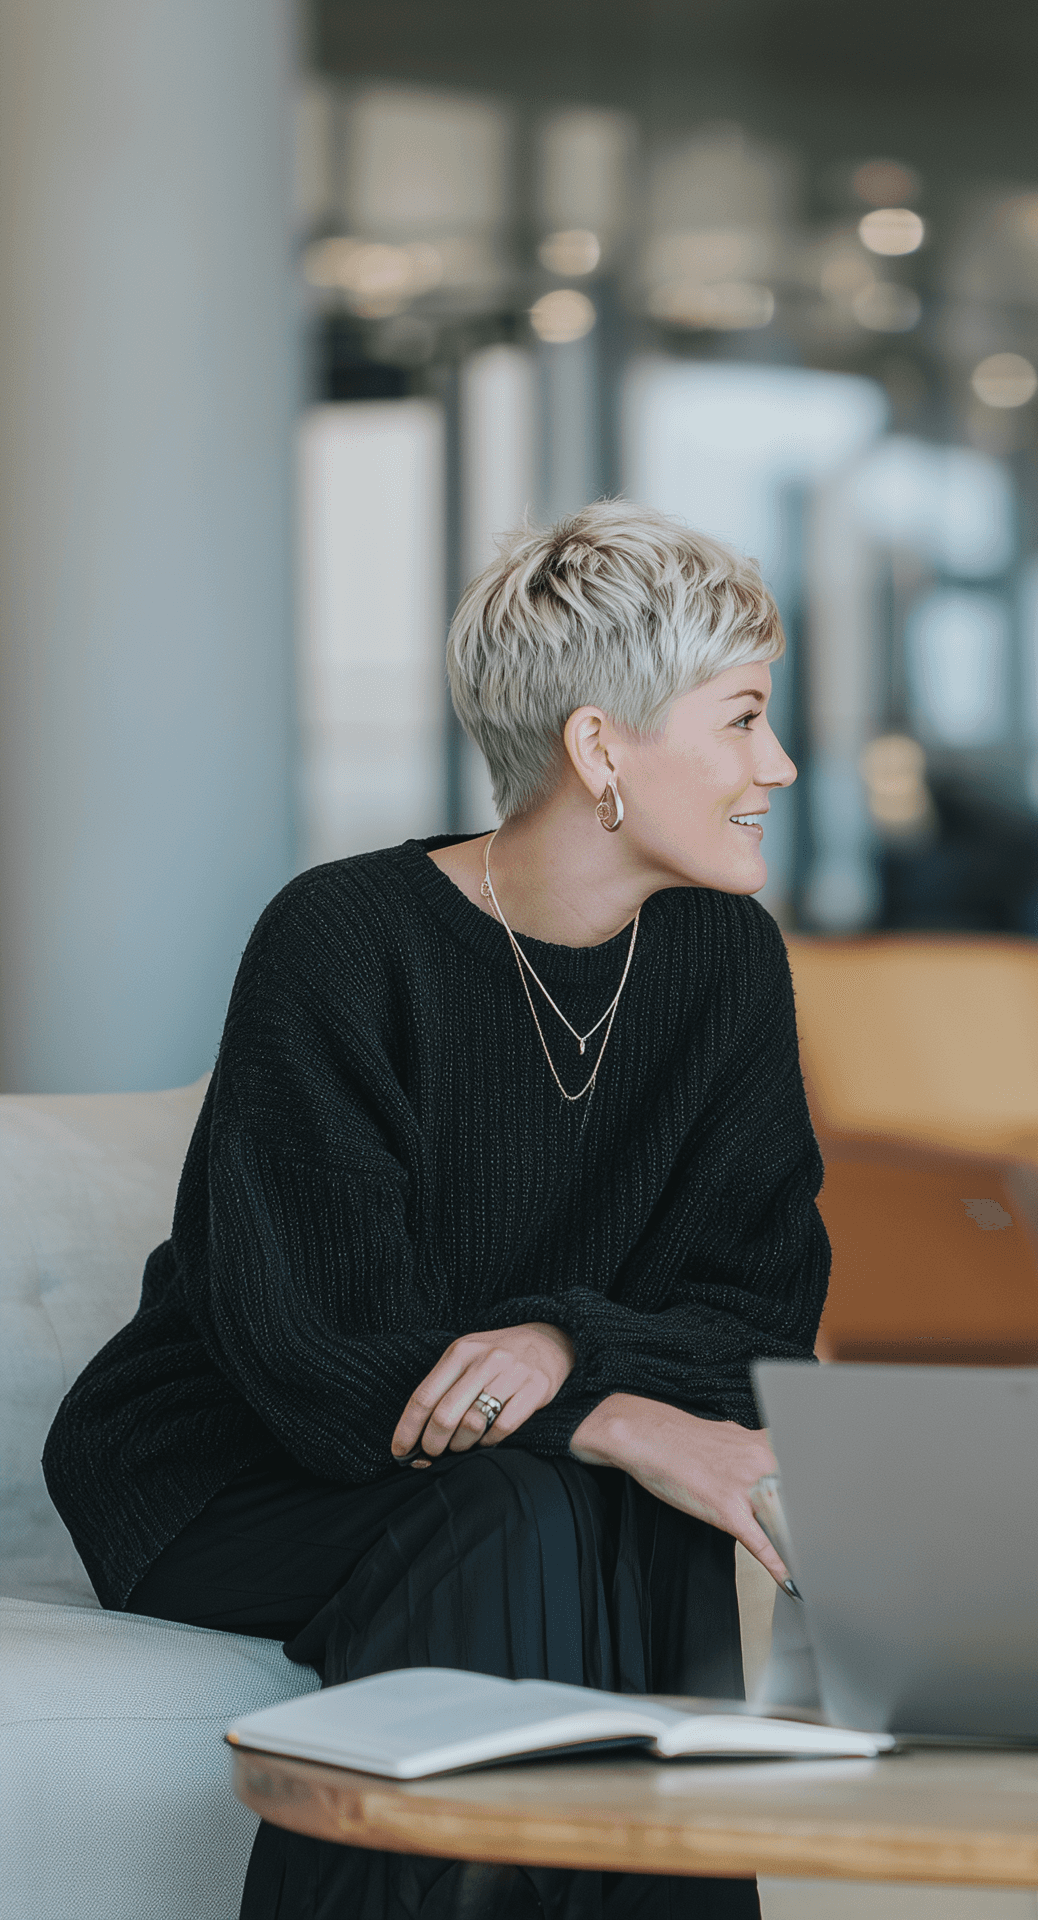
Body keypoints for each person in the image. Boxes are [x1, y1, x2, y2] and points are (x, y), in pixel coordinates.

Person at [44, 501, 827, 1920]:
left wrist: (562, 1347)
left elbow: (761, 1318)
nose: (775, 765)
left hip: (496, 1468)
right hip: (229, 1466)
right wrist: (617, 1408)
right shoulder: (343, 939)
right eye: (743, 719)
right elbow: (311, 1343)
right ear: (601, 748)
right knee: (528, 1509)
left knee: (574, 1508)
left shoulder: (728, 963)